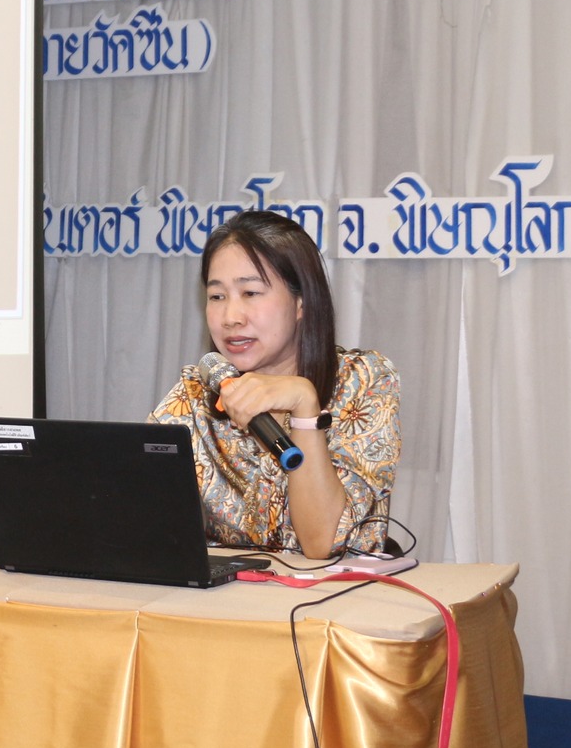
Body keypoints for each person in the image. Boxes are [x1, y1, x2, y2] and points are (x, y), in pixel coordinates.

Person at [150, 210, 399, 558]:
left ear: (301, 303)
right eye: (217, 296)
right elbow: (137, 512)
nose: (231, 318)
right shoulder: (195, 395)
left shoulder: (363, 381)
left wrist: (304, 406)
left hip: (335, 592)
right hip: (231, 592)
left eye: (251, 293)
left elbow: (324, 546)